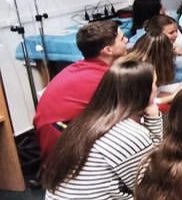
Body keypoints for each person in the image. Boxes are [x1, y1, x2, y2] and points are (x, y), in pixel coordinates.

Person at [41, 59, 163, 200]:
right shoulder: (129, 134)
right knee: (171, 196)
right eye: (154, 84)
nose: (157, 88)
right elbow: (153, 181)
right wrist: (154, 117)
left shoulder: (87, 120)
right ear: (142, 92)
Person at [33, 20, 128, 162]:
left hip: (52, 137)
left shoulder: (80, 68)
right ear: (108, 50)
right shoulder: (102, 78)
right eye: (122, 38)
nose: (126, 40)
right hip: (64, 149)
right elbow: (134, 109)